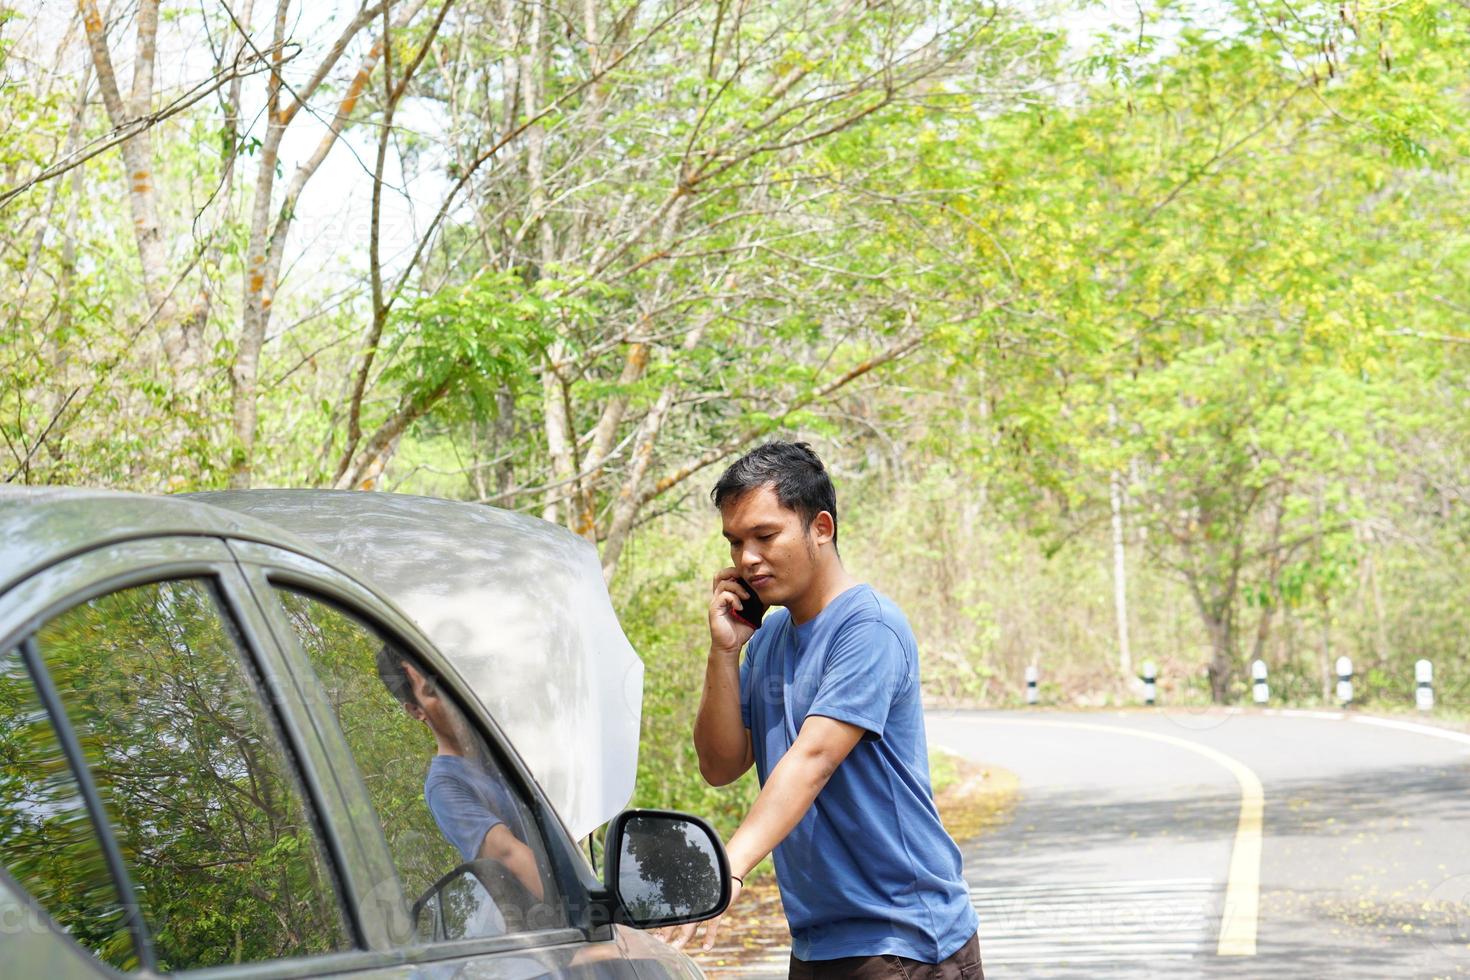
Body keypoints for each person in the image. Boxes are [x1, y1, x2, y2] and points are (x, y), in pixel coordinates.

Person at [675, 441, 982, 979]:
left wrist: (730, 866)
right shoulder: (768, 640)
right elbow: (720, 766)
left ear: (821, 527)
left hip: (902, 938)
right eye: (736, 542)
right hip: (819, 941)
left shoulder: (868, 628)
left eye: (765, 535)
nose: (747, 558)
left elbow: (813, 758)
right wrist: (725, 651)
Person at [375, 647, 544, 903]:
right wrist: (589, 910)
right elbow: (510, 856)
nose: (452, 697)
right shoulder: (444, 787)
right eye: (433, 692)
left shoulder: (504, 751)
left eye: (450, 680)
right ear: (416, 710)